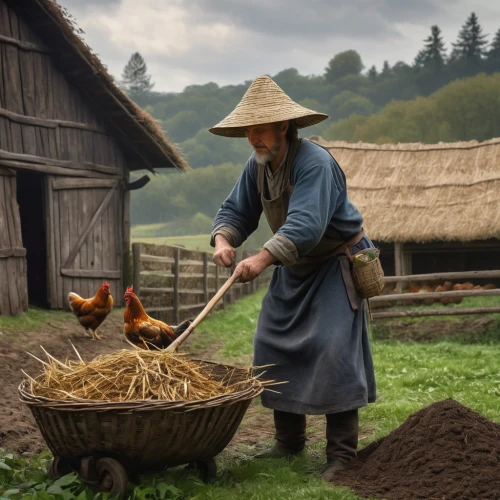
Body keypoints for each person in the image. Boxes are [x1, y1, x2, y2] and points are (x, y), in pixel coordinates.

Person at [209, 75, 376, 481]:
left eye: (260, 130)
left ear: (284, 126)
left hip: (335, 263)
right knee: (270, 342)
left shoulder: (315, 164)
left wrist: (261, 260)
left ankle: (341, 455)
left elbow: (305, 225)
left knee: (333, 348)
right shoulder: (259, 166)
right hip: (294, 267)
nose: (253, 139)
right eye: (248, 131)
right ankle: (288, 443)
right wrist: (223, 241)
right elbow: (236, 211)